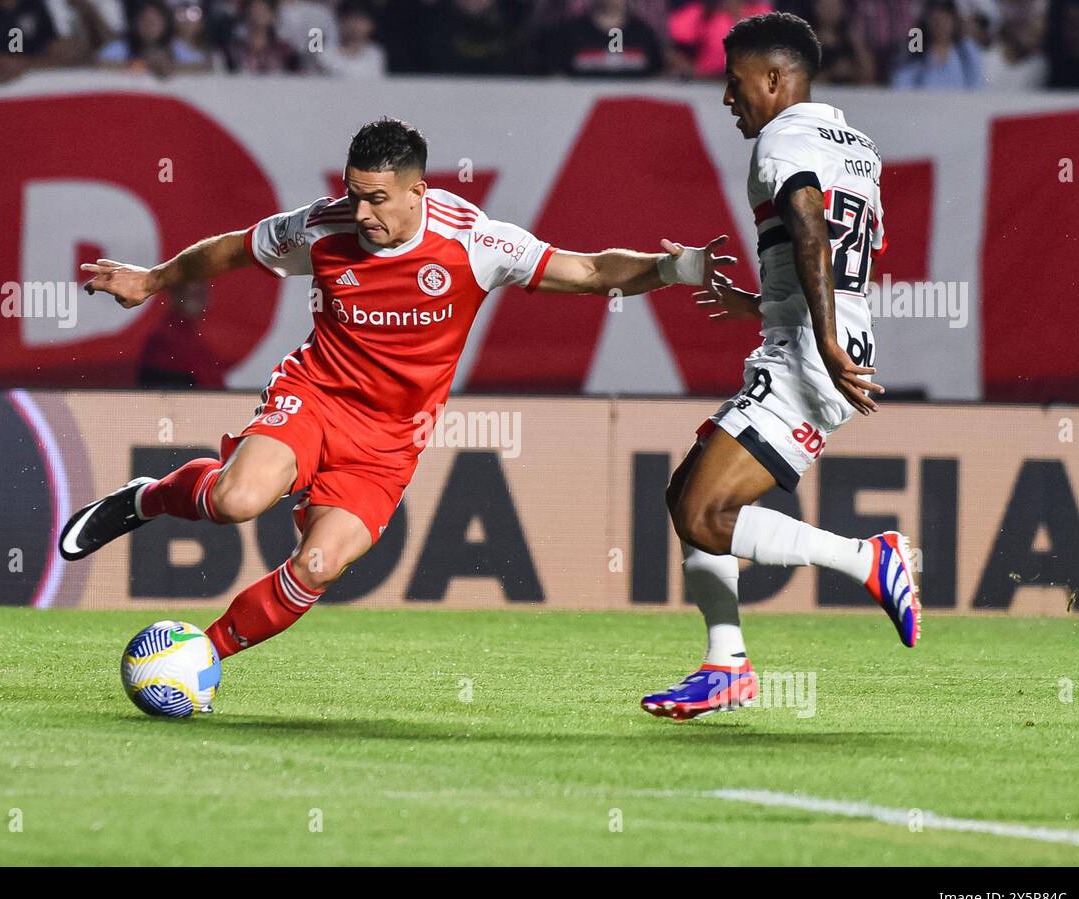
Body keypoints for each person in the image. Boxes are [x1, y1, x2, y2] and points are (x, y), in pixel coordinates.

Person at [60, 117, 732, 664]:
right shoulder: (323, 228)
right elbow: (234, 250)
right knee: (237, 500)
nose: (361, 210)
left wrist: (675, 267)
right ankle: (144, 499)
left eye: (377, 198)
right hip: (317, 394)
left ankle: (196, 661)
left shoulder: (475, 243)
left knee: (317, 566)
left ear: (418, 192)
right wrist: (151, 280)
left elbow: (586, 270)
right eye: (354, 192)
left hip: (388, 443)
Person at [640, 12, 919, 722]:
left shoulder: (781, 137)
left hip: (809, 356)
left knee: (705, 513)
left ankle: (870, 559)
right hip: (812, 342)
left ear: (774, 78)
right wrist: (764, 306)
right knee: (685, 500)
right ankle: (724, 666)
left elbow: (810, 231)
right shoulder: (857, 144)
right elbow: (847, 250)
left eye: (735, 85)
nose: (728, 100)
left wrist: (819, 340)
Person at [890, 0, 983, 90]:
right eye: (936, 20)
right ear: (927, 22)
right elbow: (900, 85)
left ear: (954, 21)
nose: (941, 26)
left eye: (945, 20)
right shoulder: (915, 49)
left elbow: (978, 87)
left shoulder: (966, 52)